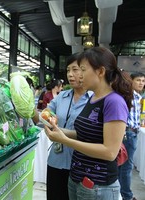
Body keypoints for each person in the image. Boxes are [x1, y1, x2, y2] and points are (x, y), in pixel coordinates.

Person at [45, 46, 133, 200]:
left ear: (100, 71)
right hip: (78, 180)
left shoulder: (114, 102)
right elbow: (85, 135)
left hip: (98, 186)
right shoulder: (93, 99)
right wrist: (60, 131)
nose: (79, 76)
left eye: (83, 70)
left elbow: (110, 152)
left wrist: (64, 140)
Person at [46, 53, 93, 200]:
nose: (70, 75)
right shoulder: (62, 96)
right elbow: (47, 113)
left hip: (81, 164)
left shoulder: (95, 99)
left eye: (75, 70)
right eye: (68, 70)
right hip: (56, 160)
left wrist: (61, 133)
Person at [119, 72, 145, 200]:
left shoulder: (139, 97)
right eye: (138, 80)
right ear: (131, 81)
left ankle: (122, 193)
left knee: (123, 165)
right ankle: (127, 196)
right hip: (128, 134)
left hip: (133, 132)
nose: (141, 83)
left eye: (143, 81)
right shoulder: (128, 96)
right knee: (126, 167)